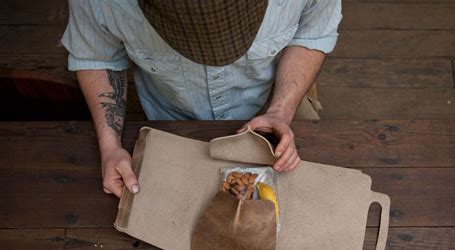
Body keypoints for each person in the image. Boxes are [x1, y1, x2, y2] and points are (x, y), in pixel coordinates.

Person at [62, 0, 342, 198]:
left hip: (276, 103)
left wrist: (281, 110)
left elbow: (312, 32)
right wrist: (110, 146)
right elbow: (97, 56)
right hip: (169, 117)